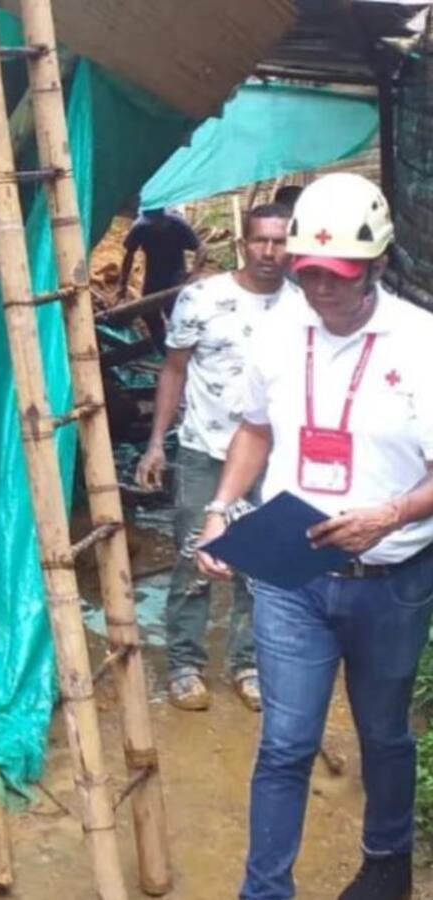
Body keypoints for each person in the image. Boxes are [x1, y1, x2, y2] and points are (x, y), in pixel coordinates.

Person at [196, 173, 433, 900]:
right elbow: (255, 430)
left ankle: (386, 861)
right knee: (286, 741)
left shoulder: (421, 343)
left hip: (390, 579)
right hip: (292, 572)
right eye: (309, 273)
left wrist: (389, 515)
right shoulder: (277, 332)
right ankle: (265, 889)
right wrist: (221, 507)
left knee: (383, 733)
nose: (321, 289)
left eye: (339, 275)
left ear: (378, 264)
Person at [135, 203, 295, 713]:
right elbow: (174, 370)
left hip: (275, 457)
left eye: (280, 241)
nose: (269, 251)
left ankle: (248, 664)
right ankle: (185, 664)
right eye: (260, 240)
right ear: (242, 244)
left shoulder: (304, 306)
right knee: (194, 556)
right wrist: (157, 443)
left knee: (261, 565)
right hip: (205, 450)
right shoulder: (201, 299)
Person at [118, 207, 209, 351]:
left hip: (176, 273)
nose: (154, 224)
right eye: (151, 221)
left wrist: (194, 273)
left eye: (156, 221)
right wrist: (122, 284)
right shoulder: (140, 227)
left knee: (174, 310)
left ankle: (186, 348)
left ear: (163, 215)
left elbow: (201, 248)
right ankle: (163, 348)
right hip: (153, 275)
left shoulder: (177, 224)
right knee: (149, 313)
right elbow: (129, 255)